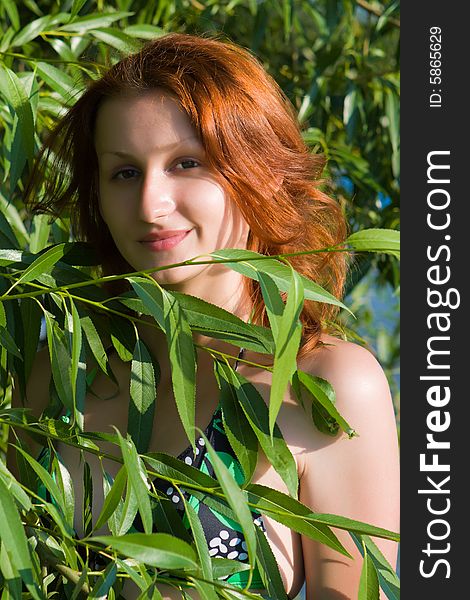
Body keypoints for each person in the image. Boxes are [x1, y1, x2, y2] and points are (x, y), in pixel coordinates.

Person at [12, 33, 399, 599]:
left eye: (186, 163)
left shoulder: (322, 387)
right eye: (124, 173)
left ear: (260, 171)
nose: (151, 205)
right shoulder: (57, 377)